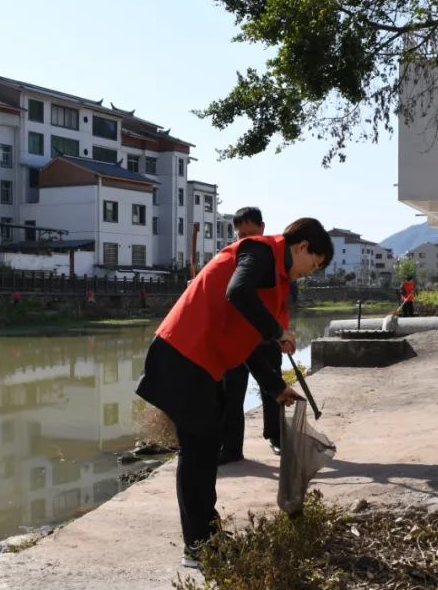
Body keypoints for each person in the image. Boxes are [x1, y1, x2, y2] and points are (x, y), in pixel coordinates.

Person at [135, 218, 333, 567]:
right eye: (313, 264)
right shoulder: (259, 252)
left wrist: (274, 387)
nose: (309, 273)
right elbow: (236, 293)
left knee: (205, 447)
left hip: (198, 361)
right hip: (181, 354)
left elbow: (249, 339)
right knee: (198, 451)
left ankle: (205, 536)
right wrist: (276, 331)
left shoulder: (275, 278)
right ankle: (197, 547)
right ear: (301, 246)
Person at [218, 207, 284, 465]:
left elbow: (283, 298)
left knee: (272, 386)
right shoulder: (235, 257)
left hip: (265, 335)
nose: (245, 239)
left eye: (251, 232)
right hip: (235, 335)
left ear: (263, 228)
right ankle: (232, 447)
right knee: (232, 393)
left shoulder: (272, 258)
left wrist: (280, 333)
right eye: (240, 234)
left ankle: (276, 436)